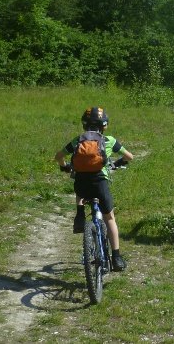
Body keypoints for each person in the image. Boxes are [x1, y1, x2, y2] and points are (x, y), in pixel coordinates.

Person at [54, 106, 133, 271]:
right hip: (99, 183)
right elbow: (129, 157)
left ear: (84, 125)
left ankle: (80, 215)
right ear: (104, 126)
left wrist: (65, 167)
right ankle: (116, 258)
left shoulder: (78, 140)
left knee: (79, 179)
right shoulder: (109, 140)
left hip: (81, 184)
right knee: (109, 218)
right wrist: (118, 163)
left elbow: (59, 156)